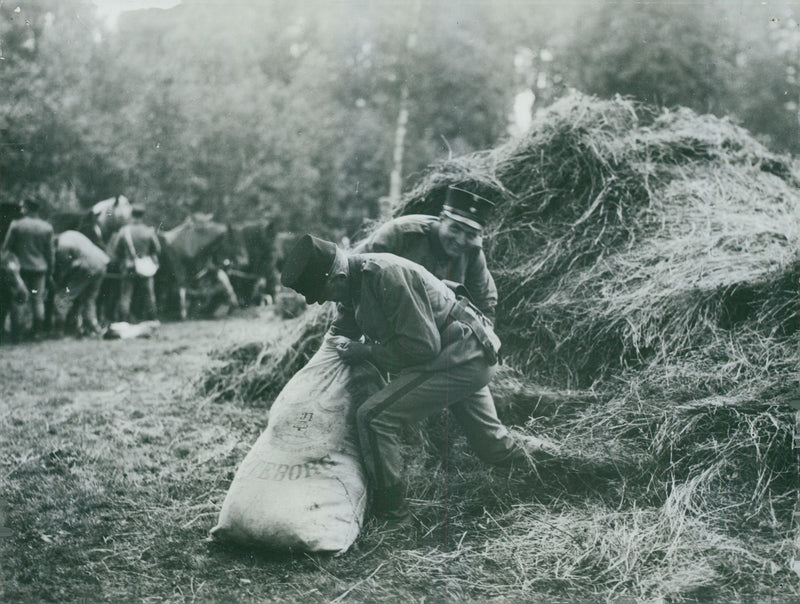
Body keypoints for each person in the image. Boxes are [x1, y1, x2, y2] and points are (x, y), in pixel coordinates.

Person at [281, 234, 525, 522]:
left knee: (373, 417)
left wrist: (367, 351)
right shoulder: (352, 284)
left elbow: (422, 348)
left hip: (461, 358)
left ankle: (394, 514)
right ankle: (554, 467)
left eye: (324, 294)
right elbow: (339, 332)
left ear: (337, 278)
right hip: (458, 353)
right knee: (493, 445)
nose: (326, 302)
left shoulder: (386, 276)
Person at [355, 185, 498, 318]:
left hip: (433, 331)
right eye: (455, 229)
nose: (461, 240)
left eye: (470, 235)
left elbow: (485, 306)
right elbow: (354, 269)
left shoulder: (473, 253)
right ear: (442, 218)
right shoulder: (402, 233)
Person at [1, 197, 54, 340]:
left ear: (27, 208)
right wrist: (50, 271)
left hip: (20, 269)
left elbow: (6, 249)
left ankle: (16, 335)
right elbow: (50, 254)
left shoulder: (16, 225)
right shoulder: (47, 227)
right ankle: (37, 333)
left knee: (19, 300)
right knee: (37, 300)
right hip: (40, 269)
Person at [53, 230, 110, 336]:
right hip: (102, 263)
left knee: (64, 296)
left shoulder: (62, 244)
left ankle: (58, 329)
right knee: (89, 299)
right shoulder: (70, 234)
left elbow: (64, 268)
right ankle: (93, 327)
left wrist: (61, 282)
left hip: (87, 266)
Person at [112, 203, 161, 322]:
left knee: (126, 295)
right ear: (142, 216)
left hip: (128, 267)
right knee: (149, 295)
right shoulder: (148, 231)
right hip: (145, 267)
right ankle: (152, 320)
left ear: (131, 215)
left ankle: (123, 321)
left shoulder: (124, 231)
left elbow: (116, 250)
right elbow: (157, 249)